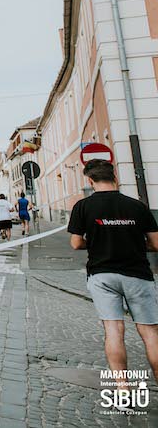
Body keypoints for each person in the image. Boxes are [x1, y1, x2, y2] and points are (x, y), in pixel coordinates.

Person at [68, 160, 158, 385]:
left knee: (114, 330)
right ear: (114, 176)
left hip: (102, 275)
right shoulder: (137, 206)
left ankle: (122, 388)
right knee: (151, 333)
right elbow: (156, 244)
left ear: (90, 180)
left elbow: (76, 243)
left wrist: (99, 242)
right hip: (138, 274)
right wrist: (133, 243)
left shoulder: (83, 206)